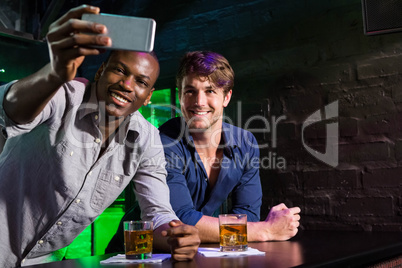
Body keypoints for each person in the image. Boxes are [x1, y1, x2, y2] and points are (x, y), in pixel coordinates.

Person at [0, 5, 199, 267]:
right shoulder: (64, 93)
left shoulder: (147, 140)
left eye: (140, 82)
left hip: (43, 262)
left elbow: (158, 213)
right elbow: (10, 111)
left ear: (148, 96)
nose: (127, 85)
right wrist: (55, 73)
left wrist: (176, 235)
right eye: (119, 71)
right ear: (100, 71)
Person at [159, 51, 301, 243]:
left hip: (198, 252)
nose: (199, 102)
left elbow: (248, 215)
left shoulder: (245, 143)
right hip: (141, 252)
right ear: (180, 96)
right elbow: (180, 220)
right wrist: (265, 231)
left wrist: (209, 228)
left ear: (226, 97)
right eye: (190, 91)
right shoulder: (164, 141)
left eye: (210, 91)